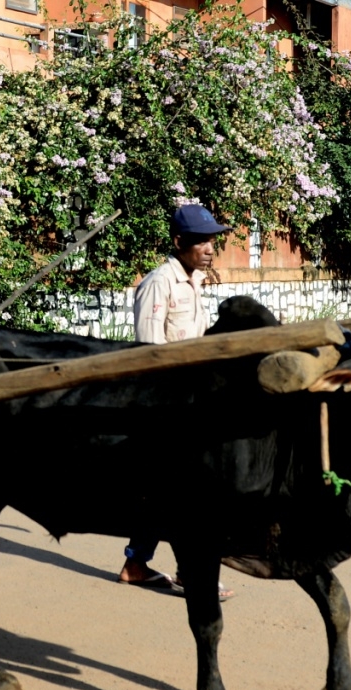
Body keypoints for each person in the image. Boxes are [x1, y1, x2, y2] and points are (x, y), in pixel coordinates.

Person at [118, 203, 233, 601]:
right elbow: (150, 353)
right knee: (188, 488)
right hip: (167, 403)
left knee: (166, 489)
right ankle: (189, 571)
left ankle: (137, 563)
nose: (209, 247)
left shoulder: (194, 280)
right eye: (200, 240)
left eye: (212, 240)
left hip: (193, 397)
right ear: (178, 241)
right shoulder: (159, 282)